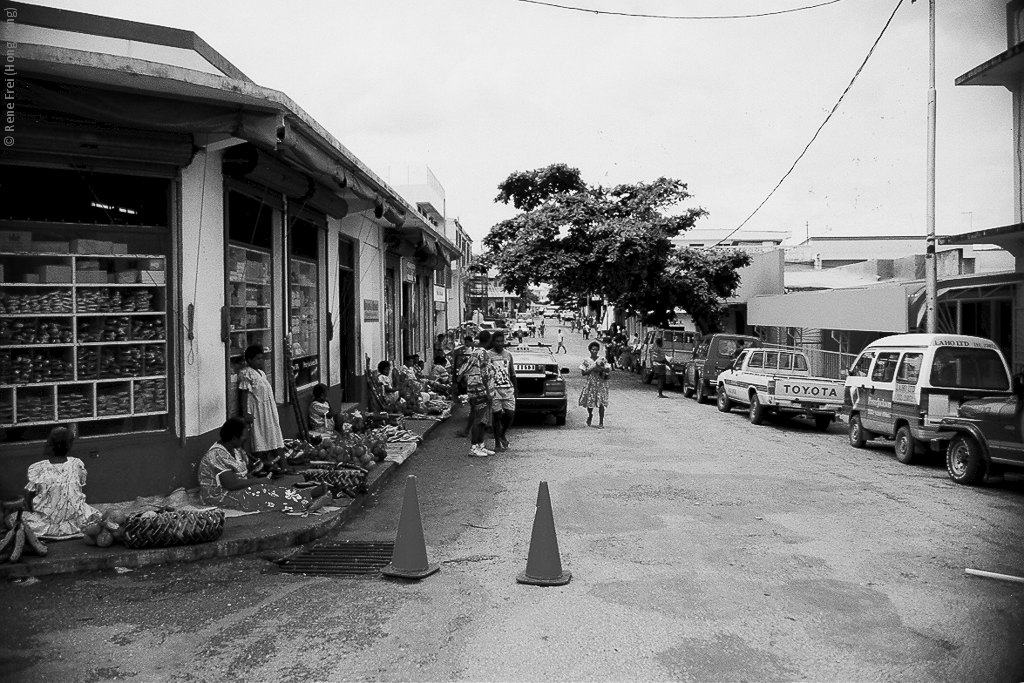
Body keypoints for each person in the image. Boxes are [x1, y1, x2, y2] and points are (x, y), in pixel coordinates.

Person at [199, 418, 330, 513]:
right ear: (234, 438)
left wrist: (258, 481)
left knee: (267, 489)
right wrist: (258, 481)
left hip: (234, 488)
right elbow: (231, 484)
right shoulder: (216, 455)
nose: (246, 438)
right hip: (220, 495)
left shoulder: (235, 449)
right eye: (243, 436)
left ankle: (306, 495)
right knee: (260, 494)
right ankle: (305, 500)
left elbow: (243, 475)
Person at [21, 426, 100, 538]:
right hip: (75, 521)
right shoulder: (77, 464)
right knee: (92, 514)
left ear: (49, 444)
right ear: (69, 446)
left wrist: (32, 511)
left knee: (20, 519)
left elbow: (29, 496)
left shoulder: (38, 468)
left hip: (47, 523)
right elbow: (78, 488)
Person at [238, 344, 286, 474]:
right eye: (258, 359)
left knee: (273, 434)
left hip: (268, 409)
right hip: (257, 411)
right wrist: (246, 413)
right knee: (259, 436)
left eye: (262, 358)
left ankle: (281, 466)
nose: (261, 361)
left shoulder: (262, 373)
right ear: (249, 360)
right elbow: (244, 393)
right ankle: (261, 467)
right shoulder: (246, 373)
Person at [461, 330, 495, 457]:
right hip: (481, 391)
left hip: (474, 390)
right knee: (479, 419)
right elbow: (485, 375)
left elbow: (463, 371)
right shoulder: (483, 353)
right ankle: (474, 447)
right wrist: (488, 392)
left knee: (483, 419)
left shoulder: (474, 352)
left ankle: (481, 445)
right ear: (489, 340)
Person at [486, 330, 517, 452]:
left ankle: (502, 433)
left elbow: (512, 373)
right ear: (493, 342)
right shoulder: (488, 355)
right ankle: (497, 443)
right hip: (494, 390)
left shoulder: (508, 355)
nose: (500, 343)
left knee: (510, 414)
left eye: (501, 341)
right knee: (496, 416)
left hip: (508, 389)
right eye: (497, 341)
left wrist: (516, 390)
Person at [579, 341, 610, 428]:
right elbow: (583, 373)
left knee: (601, 403)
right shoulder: (586, 361)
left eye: (596, 350)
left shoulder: (602, 360)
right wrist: (592, 368)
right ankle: (590, 415)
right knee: (590, 403)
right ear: (590, 350)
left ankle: (601, 422)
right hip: (591, 384)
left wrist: (600, 368)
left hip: (601, 384)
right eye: (593, 350)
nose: (594, 351)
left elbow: (608, 370)